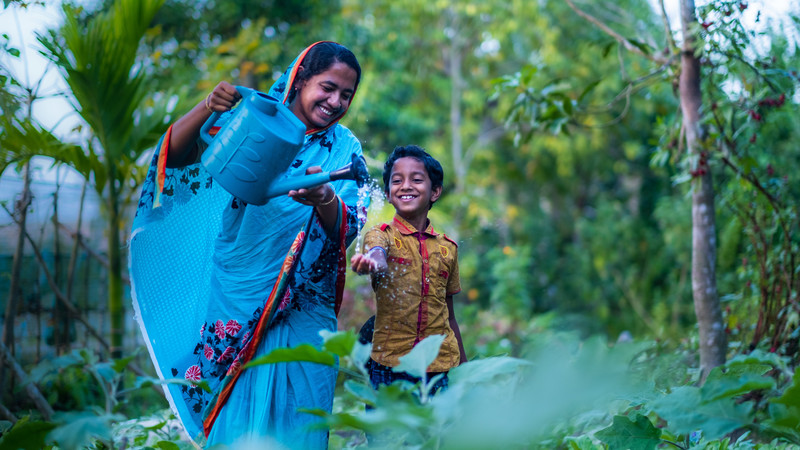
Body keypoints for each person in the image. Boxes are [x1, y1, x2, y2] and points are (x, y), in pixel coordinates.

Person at [129, 41, 366, 448]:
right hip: (237, 290)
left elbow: (347, 227)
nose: (335, 101)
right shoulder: (254, 116)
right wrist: (208, 105)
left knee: (302, 421)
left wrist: (325, 199)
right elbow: (175, 160)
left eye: (346, 94)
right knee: (233, 418)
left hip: (305, 307)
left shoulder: (345, 149)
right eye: (327, 87)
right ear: (301, 77)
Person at [350, 145, 467, 398]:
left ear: (435, 191)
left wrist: (465, 369)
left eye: (416, 179)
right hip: (390, 364)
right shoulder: (381, 235)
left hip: (439, 366)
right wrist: (374, 263)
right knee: (387, 436)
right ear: (389, 194)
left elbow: (449, 314)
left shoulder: (448, 249)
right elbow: (377, 253)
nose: (405, 186)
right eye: (397, 180)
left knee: (436, 436)